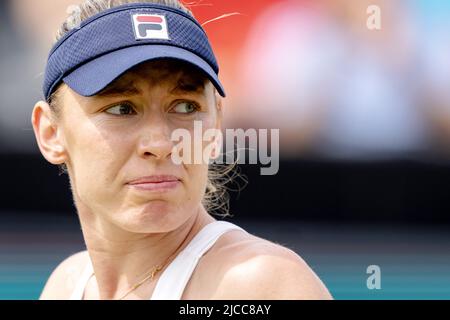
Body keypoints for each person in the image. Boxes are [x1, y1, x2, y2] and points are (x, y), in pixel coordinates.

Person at [31, 0, 332, 300]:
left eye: (186, 107)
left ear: (215, 125)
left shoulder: (261, 285)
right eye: (122, 109)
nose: (161, 144)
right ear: (50, 133)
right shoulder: (66, 285)